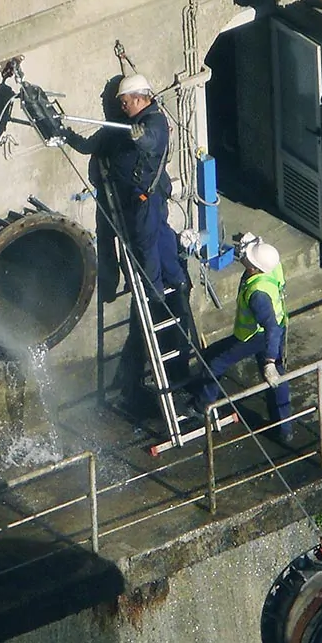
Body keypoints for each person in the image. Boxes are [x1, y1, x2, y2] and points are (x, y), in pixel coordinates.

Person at [64, 74, 194, 409]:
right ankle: (160, 285)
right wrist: (63, 132)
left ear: (140, 98)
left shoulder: (153, 123)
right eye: (119, 103)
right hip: (128, 207)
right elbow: (89, 145)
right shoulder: (119, 126)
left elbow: (152, 140)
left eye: (125, 102)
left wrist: (139, 137)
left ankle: (154, 295)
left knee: (149, 248)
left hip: (144, 204)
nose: (121, 107)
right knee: (158, 251)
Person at [192, 235, 293, 444]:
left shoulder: (258, 294)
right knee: (276, 380)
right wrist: (252, 240)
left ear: (255, 267)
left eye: (247, 256)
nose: (242, 256)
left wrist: (270, 361)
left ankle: (202, 406)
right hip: (275, 327)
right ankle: (284, 429)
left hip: (255, 335)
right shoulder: (271, 263)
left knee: (214, 360)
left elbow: (271, 328)